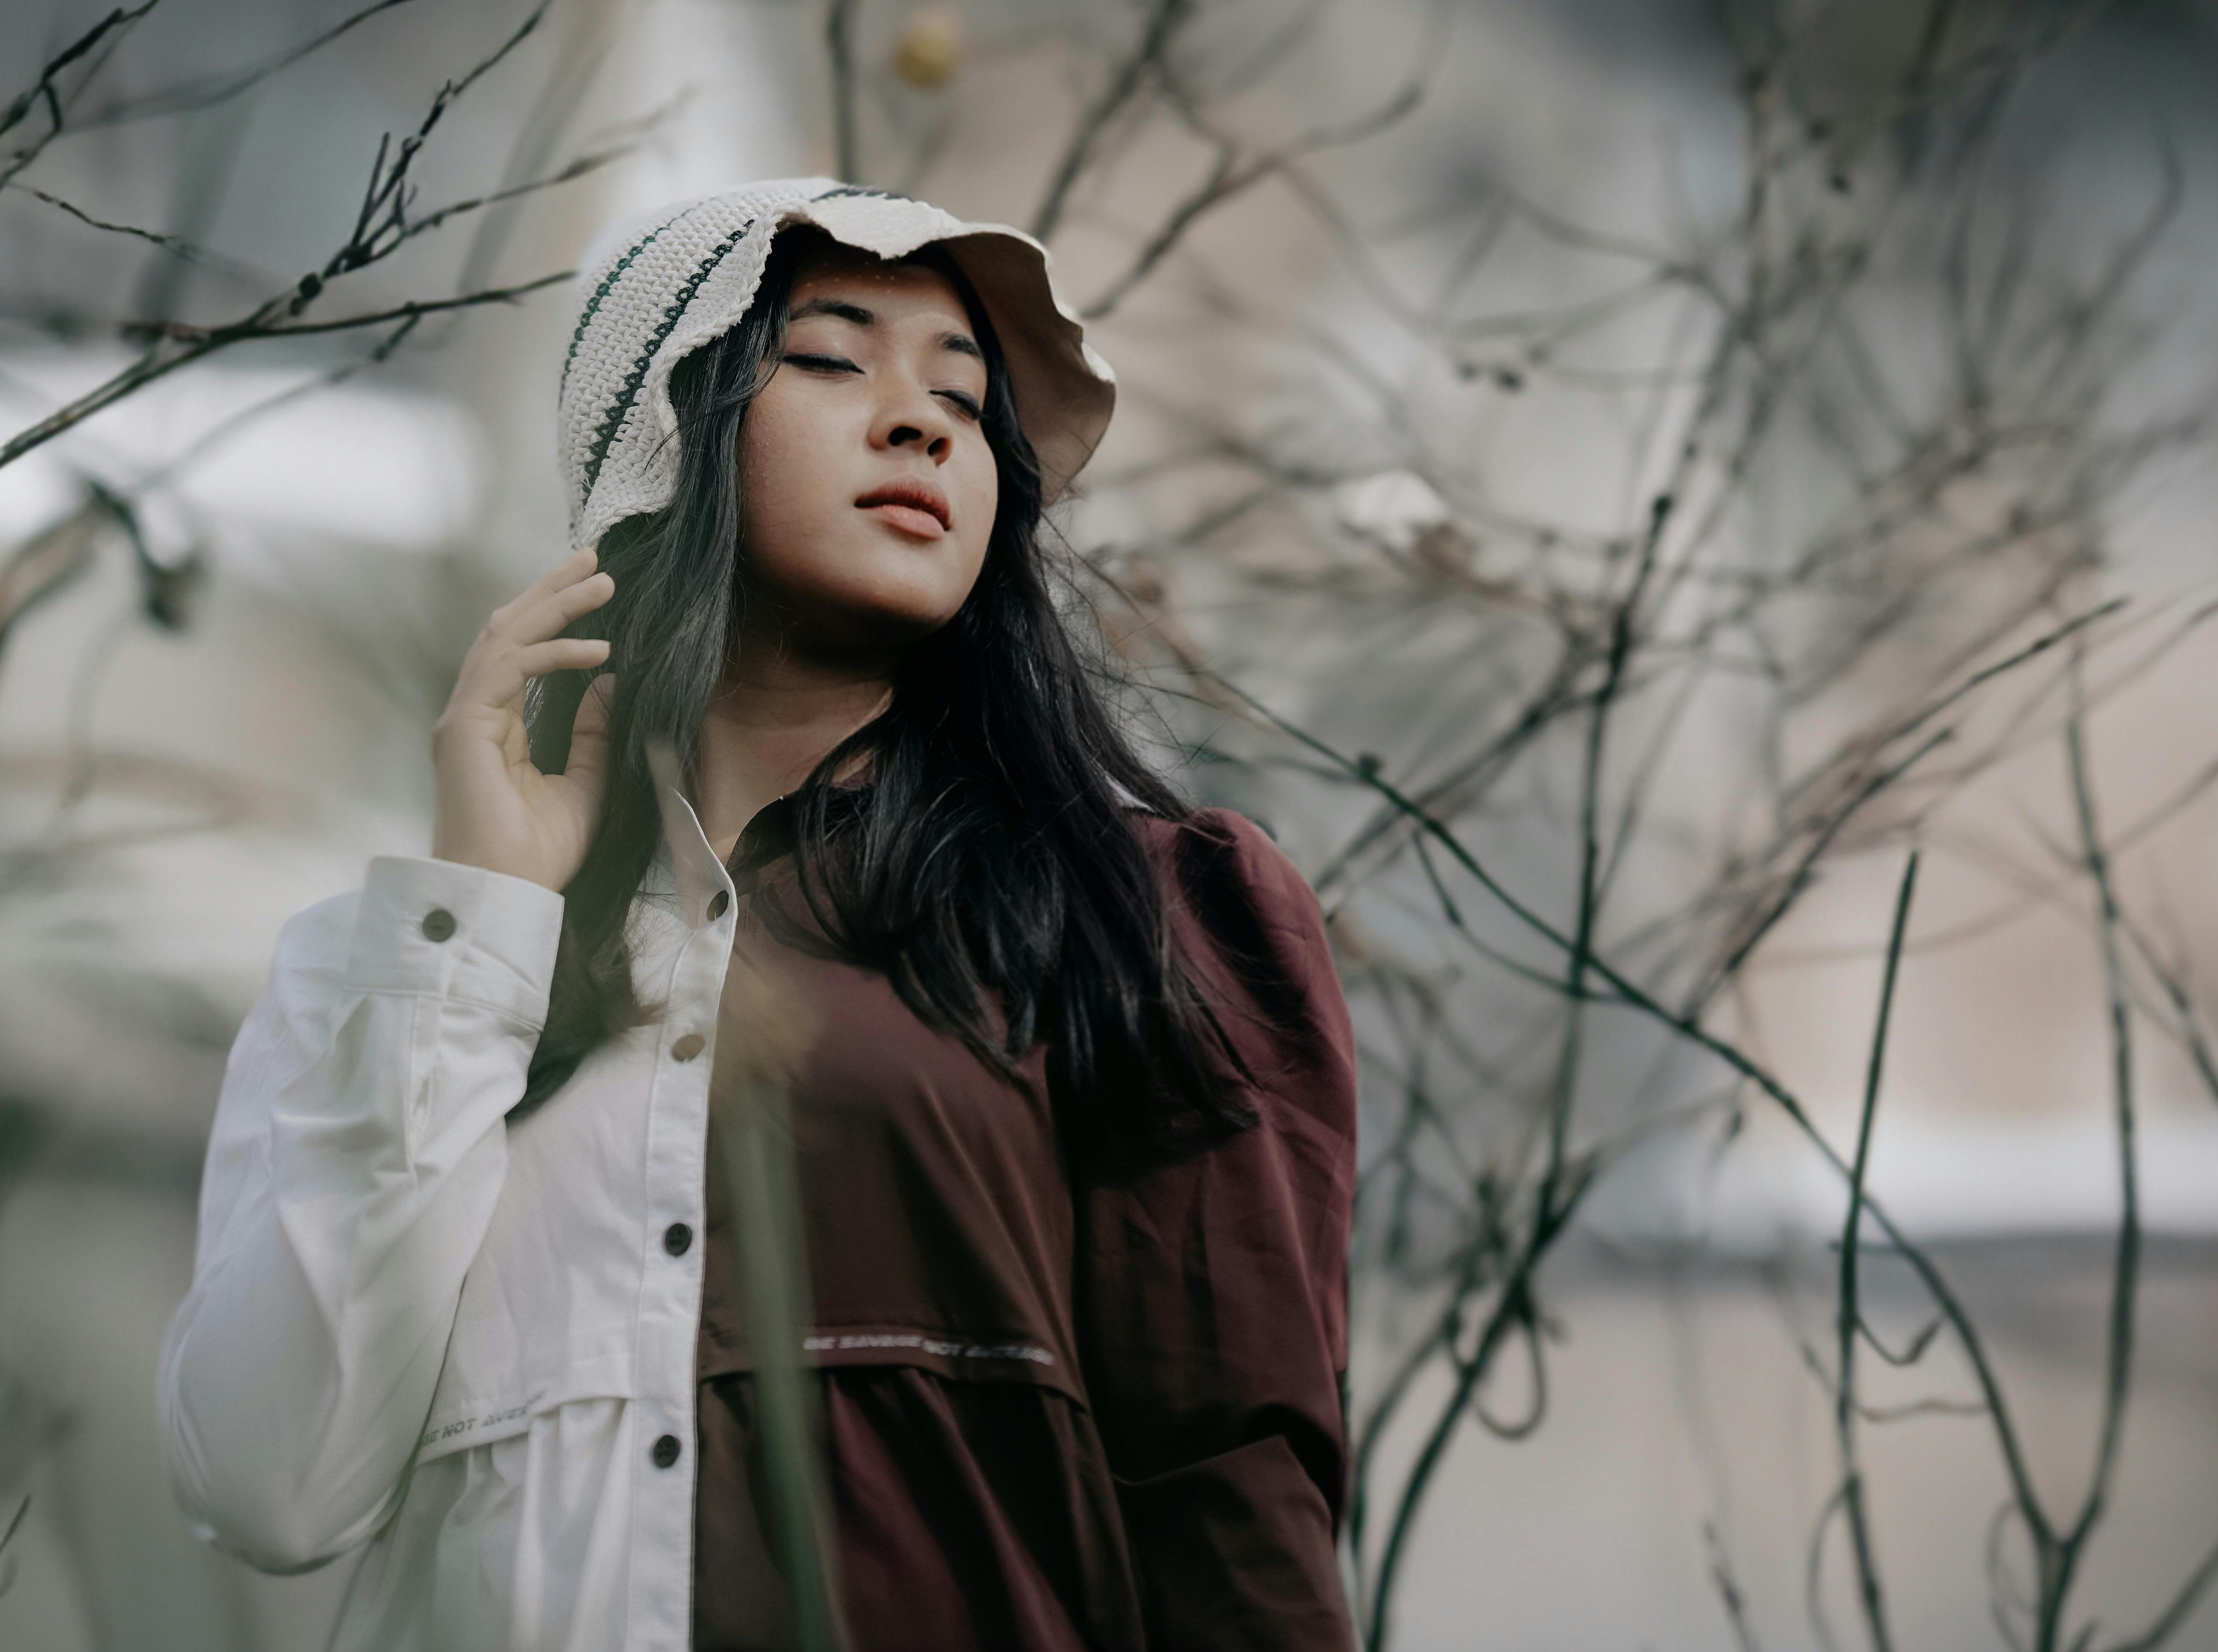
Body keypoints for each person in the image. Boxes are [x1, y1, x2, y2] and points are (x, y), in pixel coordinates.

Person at [156, 177, 1358, 1650]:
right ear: (664, 438)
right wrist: (480, 922)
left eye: (964, 400)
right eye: (834, 360)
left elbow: (1239, 1513)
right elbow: (272, 1492)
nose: (923, 426)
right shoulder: (390, 971)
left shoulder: (1143, 914)